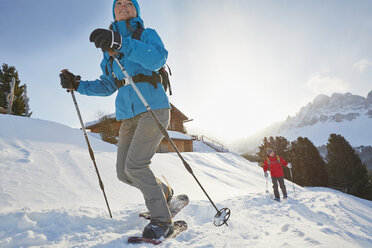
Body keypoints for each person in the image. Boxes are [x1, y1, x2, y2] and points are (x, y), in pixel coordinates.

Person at [59, 0, 174, 239]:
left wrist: (121, 43)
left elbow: (157, 60)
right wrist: (79, 85)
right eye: (118, 3)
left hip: (153, 107)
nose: (123, 6)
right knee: (124, 172)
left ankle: (162, 221)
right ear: (113, 11)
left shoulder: (147, 34)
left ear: (136, 10)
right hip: (128, 116)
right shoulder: (107, 48)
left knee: (136, 166)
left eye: (128, 3)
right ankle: (163, 192)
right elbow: (108, 84)